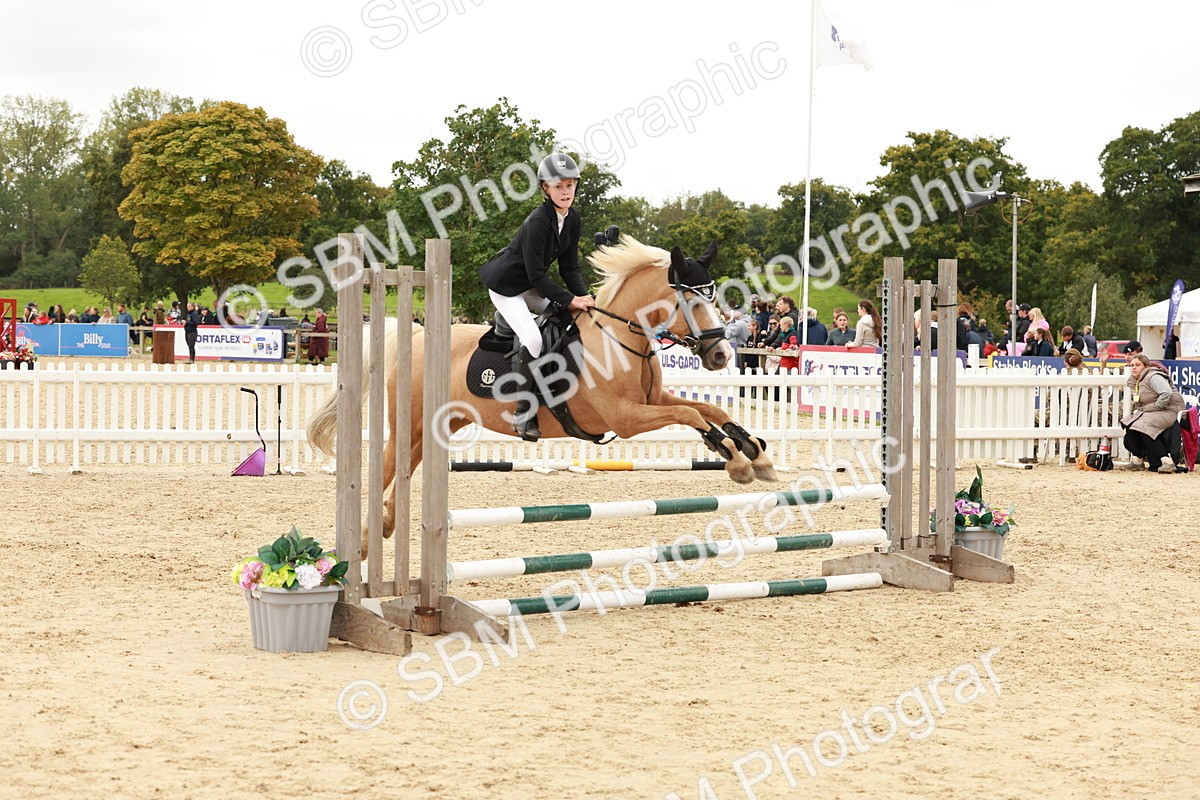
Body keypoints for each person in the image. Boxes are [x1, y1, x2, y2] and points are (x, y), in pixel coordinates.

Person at [477, 153, 594, 441]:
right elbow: (537, 275)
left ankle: (552, 387)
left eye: (570, 185)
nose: (566, 192)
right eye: (559, 187)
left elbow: (569, 266)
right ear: (545, 188)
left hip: (530, 285)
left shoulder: (573, 219)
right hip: (507, 287)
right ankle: (523, 410)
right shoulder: (538, 222)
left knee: (567, 321)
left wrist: (583, 297)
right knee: (533, 338)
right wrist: (569, 299)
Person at [1121, 354, 1186, 473]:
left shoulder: (1153, 377)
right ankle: (1137, 461)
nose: (1134, 368)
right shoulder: (1136, 380)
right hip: (1151, 411)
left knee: (1144, 427)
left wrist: (1157, 406)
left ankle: (1166, 461)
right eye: (1132, 365)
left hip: (1169, 409)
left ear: (1146, 366)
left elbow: (1166, 393)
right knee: (1129, 425)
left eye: (1137, 365)